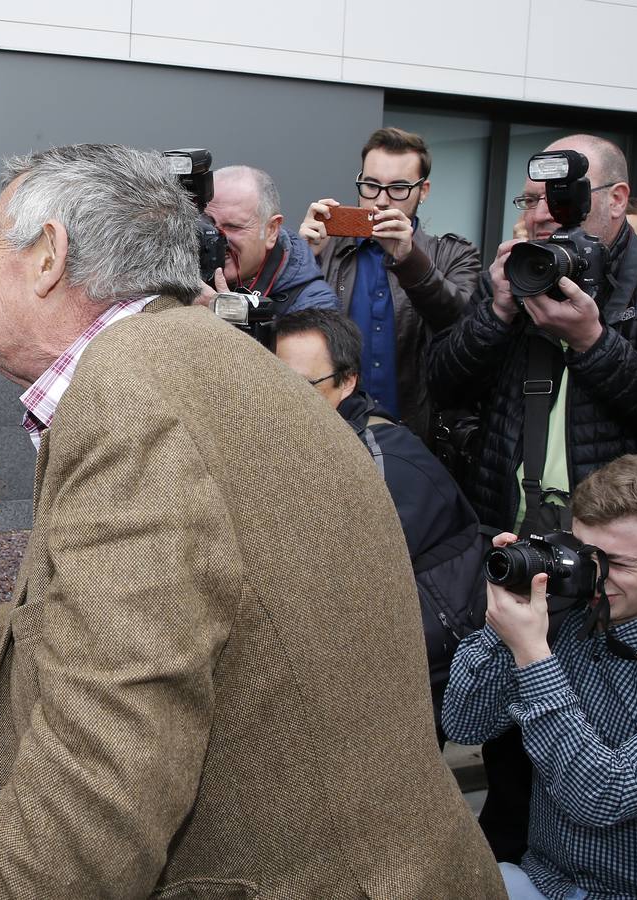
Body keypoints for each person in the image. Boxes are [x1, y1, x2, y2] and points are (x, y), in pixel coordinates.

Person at [0, 143, 503, 899]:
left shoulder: (131, 402)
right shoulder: (206, 358)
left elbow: (103, 773)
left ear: (49, 255)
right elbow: (176, 600)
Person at [427, 131, 637, 864]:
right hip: (517, 533)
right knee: (506, 738)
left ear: (618, 199)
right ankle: (515, 863)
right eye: (532, 199)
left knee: (606, 732)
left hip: (618, 557)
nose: (544, 215)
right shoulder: (517, 273)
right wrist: (498, 312)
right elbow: (443, 382)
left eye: (564, 197)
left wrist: (593, 341)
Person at [443, 454, 637, 898]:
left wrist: (532, 654)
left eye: (619, 564)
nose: (596, 577)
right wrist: (503, 621)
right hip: (548, 880)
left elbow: (603, 796)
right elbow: (465, 725)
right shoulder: (558, 626)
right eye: (585, 556)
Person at [272, 309, 486, 737]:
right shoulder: (312, 436)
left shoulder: (381, 461)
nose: (283, 398)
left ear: (347, 381)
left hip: (418, 671)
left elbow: (352, 589)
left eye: (303, 385)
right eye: (275, 382)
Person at [299, 126, 482, 444]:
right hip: (328, 432)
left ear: (423, 191)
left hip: (416, 436)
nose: (381, 201)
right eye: (371, 186)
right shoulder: (323, 248)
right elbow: (287, 335)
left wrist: (410, 260)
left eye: (398, 188)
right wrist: (302, 260)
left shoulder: (454, 254)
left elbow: (464, 326)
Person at [204, 164, 338, 312]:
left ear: (271, 231)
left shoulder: (313, 304)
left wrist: (227, 311)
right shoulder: (188, 275)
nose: (217, 237)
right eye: (208, 223)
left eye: (233, 227)